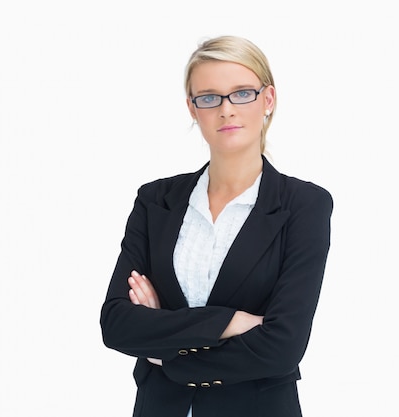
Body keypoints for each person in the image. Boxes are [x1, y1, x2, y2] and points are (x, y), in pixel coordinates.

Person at [100, 35, 333, 417]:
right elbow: (117, 324)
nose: (226, 109)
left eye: (242, 93)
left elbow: (283, 346)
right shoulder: (155, 200)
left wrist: (165, 347)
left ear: (268, 100)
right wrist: (231, 321)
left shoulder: (304, 205)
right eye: (208, 97)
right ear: (193, 109)